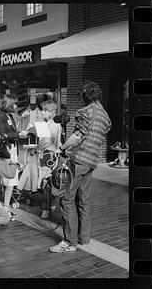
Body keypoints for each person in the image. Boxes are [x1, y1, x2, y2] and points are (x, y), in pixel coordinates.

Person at [49, 81, 112, 253]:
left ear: (85, 95)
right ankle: (84, 238)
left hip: (78, 161)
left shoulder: (85, 112)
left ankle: (70, 242)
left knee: (67, 199)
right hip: (91, 161)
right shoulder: (105, 114)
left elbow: (77, 136)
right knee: (84, 200)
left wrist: (61, 148)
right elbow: (103, 132)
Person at [17, 100, 62, 219]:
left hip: (48, 156)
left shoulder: (54, 125)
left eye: (46, 110)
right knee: (47, 182)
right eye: (42, 110)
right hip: (47, 155)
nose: (43, 112)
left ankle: (46, 209)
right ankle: (49, 205)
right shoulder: (47, 123)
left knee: (46, 182)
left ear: (52, 113)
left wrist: (35, 149)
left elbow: (45, 142)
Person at [0, 94, 27, 217]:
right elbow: (2, 135)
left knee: (11, 180)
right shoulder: (0, 116)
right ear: (8, 104)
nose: (16, 106)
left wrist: (22, 133)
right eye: (14, 103)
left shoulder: (10, 116)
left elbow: (11, 133)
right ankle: (3, 207)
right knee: (7, 179)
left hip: (11, 149)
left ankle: (6, 206)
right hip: (5, 151)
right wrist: (19, 135)